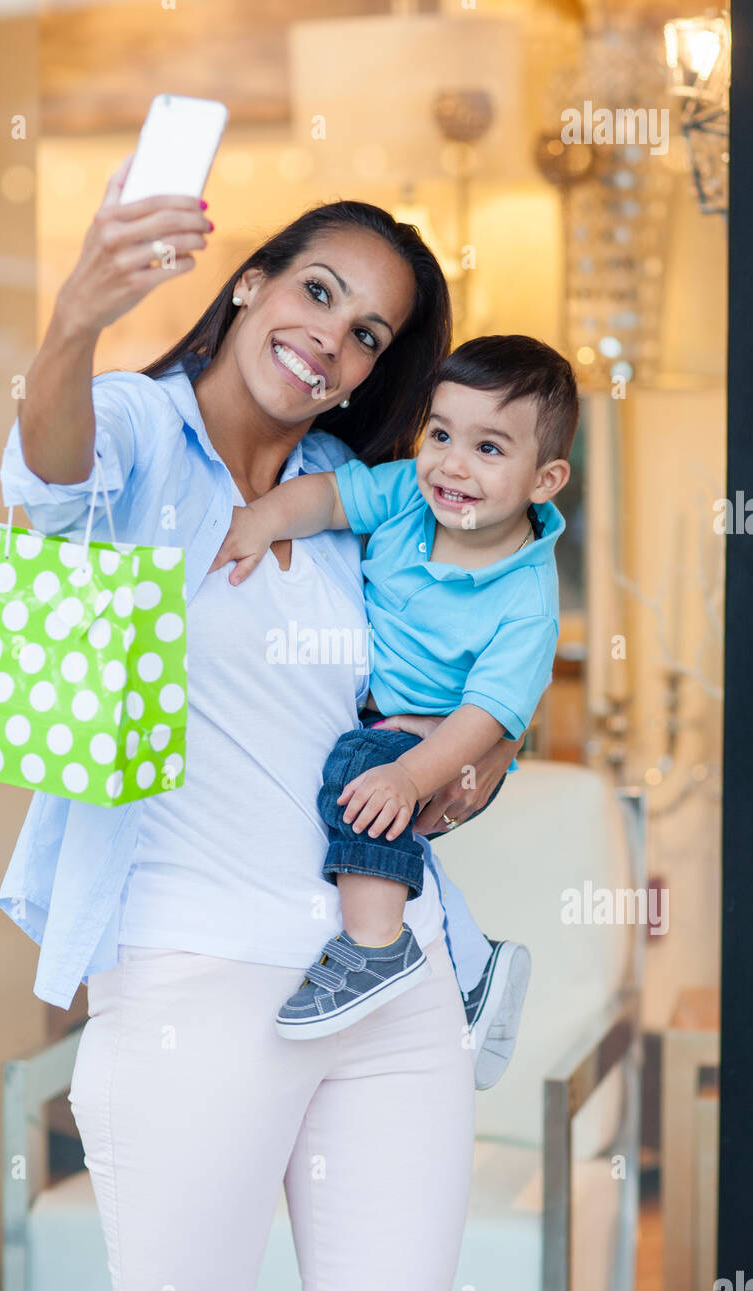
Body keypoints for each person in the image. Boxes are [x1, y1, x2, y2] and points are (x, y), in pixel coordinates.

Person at [0, 155, 525, 1291]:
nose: (332, 338)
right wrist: (73, 321)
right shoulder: (135, 431)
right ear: (251, 283)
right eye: (318, 292)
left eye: (370, 333)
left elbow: (458, 651)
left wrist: (476, 762)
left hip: (389, 974)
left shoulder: (358, 488)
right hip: (197, 980)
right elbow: (49, 478)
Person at [212, 334, 575, 1040]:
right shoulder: (411, 492)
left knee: (361, 780)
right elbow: (330, 498)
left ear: (545, 480)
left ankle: (377, 948)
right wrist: (263, 519)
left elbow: (489, 715)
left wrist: (413, 775)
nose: (453, 465)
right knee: (374, 802)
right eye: (441, 433)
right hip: (387, 719)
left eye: (490, 450)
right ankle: (472, 966)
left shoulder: (527, 597)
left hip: (452, 737)